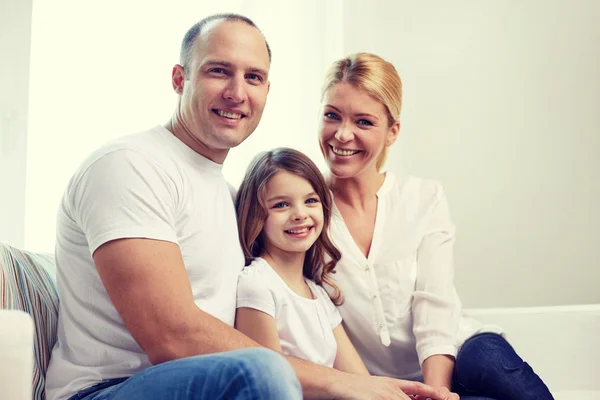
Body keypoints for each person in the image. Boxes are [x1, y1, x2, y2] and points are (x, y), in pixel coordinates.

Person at [44, 12, 442, 400]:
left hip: (214, 382)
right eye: (218, 71)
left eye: (253, 77)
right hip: (109, 388)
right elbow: (171, 337)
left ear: (267, 91)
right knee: (266, 369)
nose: (237, 92)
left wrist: (368, 383)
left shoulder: (229, 193)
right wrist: (340, 383)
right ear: (179, 79)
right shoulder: (129, 165)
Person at [317, 52, 555, 400]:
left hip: (455, 357)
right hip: (382, 385)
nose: (342, 134)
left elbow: (435, 306)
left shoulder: (423, 198)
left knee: (495, 365)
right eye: (331, 116)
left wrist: (435, 393)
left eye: (364, 122)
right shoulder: (304, 212)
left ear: (391, 132)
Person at [234, 148, 371, 374]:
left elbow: (361, 381)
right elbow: (269, 383)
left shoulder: (318, 294)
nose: (300, 214)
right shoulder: (257, 285)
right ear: (256, 215)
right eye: (281, 204)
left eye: (310, 200)